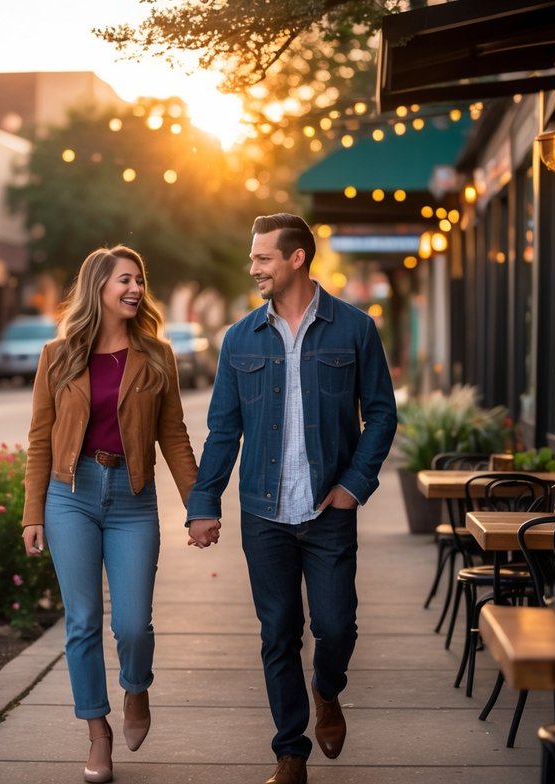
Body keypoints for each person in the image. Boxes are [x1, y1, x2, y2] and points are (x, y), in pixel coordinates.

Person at [186, 214, 396, 784]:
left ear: (296, 258)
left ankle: (327, 689)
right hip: (263, 512)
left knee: (336, 626)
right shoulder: (239, 338)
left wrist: (355, 486)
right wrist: (204, 502)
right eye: (253, 258)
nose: (253, 268)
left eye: (262, 259)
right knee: (278, 631)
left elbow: (381, 414)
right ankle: (290, 751)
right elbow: (224, 429)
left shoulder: (354, 329)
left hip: (329, 510)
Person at [22, 245, 198, 784]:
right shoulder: (58, 354)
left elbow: (172, 433)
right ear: (99, 285)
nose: (136, 288)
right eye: (126, 279)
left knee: (132, 625)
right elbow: (39, 440)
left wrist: (200, 505)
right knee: (81, 623)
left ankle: (136, 688)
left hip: (131, 497)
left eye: (140, 280)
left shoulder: (156, 354)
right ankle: (97, 735)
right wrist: (33, 514)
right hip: (69, 495)